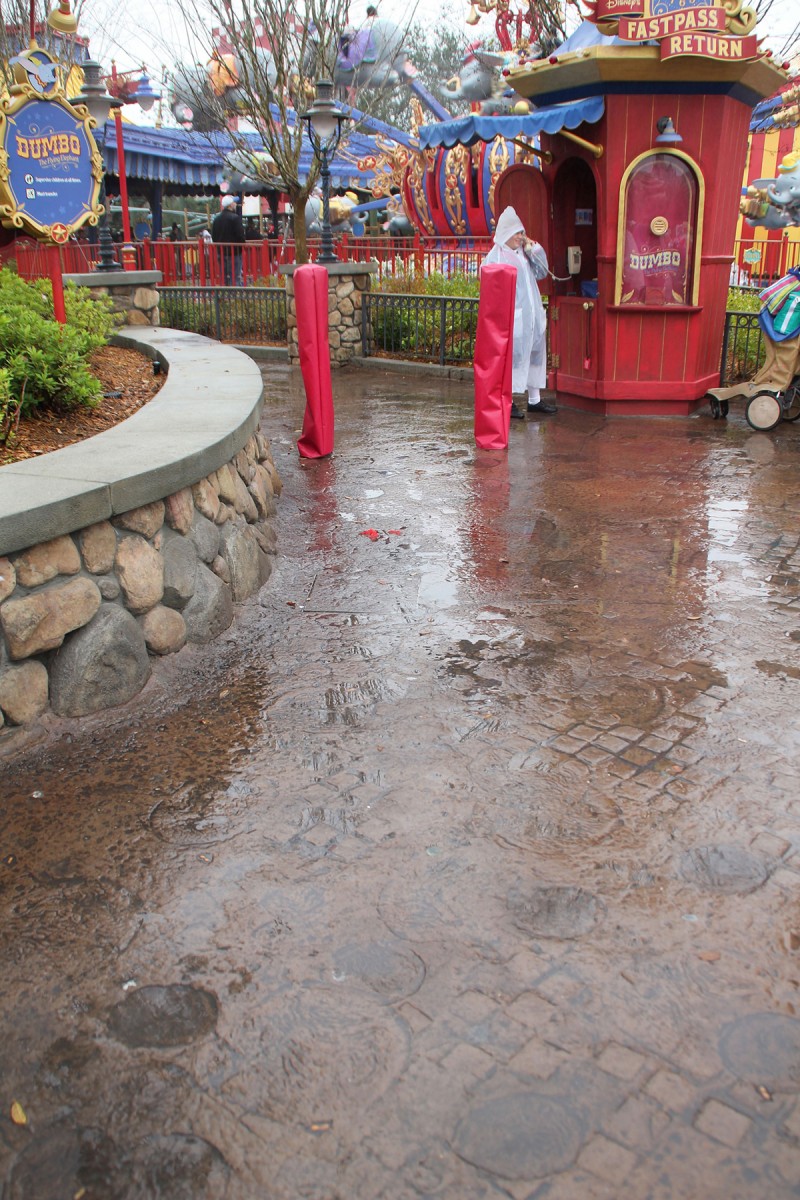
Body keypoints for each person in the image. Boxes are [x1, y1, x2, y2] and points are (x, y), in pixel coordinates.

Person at [483, 205, 556, 418]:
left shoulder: (524, 254)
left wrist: (534, 249)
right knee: (513, 360)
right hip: (513, 319)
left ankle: (534, 399)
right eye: (516, 232)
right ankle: (509, 401)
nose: (519, 237)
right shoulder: (496, 257)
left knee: (534, 356)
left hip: (531, 316)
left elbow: (542, 272)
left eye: (521, 232)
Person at [211, 195, 246, 285]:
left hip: (221, 252)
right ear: (230, 205)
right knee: (235, 277)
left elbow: (214, 237)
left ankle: (224, 296)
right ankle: (235, 297)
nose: (235, 204)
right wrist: (242, 245)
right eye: (234, 202)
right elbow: (240, 236)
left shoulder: (216, 219)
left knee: (223, 277)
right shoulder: (235, 218)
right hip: (234, 252)